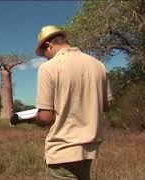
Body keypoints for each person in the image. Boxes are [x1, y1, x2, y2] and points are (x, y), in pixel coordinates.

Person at [11, 25, 113, 179]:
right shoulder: (98, 65)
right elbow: (107, 105)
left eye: (45, 54)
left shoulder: (48, 68)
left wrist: (31, 119)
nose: (46, 57)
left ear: (48, 45)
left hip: (62, 150)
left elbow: (45, 117)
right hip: (89, 149)